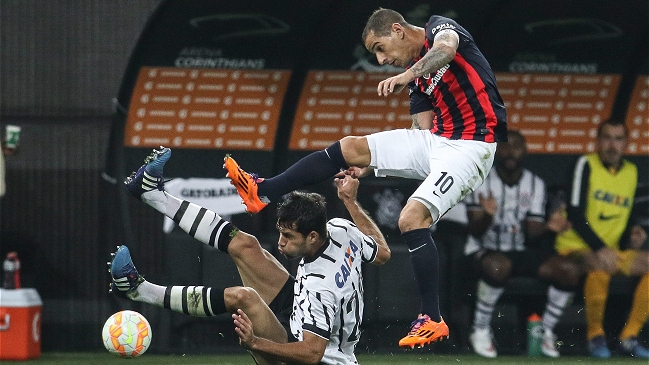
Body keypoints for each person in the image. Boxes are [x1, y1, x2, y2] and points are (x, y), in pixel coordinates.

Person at [223, 8, 507, 349]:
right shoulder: (416, 77)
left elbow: (446, 49)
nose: (382, 58)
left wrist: (407, 77)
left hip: (472, 147)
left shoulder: (439, 29)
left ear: (398, 30)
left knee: (411, 218)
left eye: (380, 47)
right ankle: (263, 192)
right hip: (439, 141)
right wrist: (372, 165)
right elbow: (421, 132)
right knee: (350, 148)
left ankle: (432, 317)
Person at [112, 147, 391, 365]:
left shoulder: (321, 288)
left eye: (289, 237)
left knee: (243, 297)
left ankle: (140, 291)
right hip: (299, 315)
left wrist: (255, 343)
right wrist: (351, 202)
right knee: (245, 244)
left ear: (313, 237)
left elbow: (312, 353)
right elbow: (382, 254)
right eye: (281, 233)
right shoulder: (341, 230)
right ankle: (151, 194)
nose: (280, 244)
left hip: (310, 357)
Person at [463, 130, 580, 358]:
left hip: (519, 250)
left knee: (569, 270)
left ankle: (545, 331)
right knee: (499, 266)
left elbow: (533, 233)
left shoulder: (535, 183)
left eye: (517, 147)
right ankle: (480, 329)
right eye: (505, 146)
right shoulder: (479, 180)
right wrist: (487, 215)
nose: (511, 152)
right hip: (484, 250)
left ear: (525, 151)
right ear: (497, 150)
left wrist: (549, 227)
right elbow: (474, 230)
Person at [555, 120, 649, 359]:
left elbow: (624, 215)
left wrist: (633, 235)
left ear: (626, 144)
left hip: (610, 250)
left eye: (618, 139)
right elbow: (575, 212)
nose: (612, 145)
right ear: (597, 141)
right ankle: (595, 336)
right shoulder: (584, 164)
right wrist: (599, 248)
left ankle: (630, 336)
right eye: (607, 138)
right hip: (574, 246)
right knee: (599, 265)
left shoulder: (631, 171)